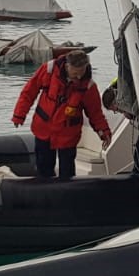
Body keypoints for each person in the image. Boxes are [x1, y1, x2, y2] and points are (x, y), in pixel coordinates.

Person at [11, 49, 112, 179]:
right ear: (67, 66)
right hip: (43, 130)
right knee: (43, 169)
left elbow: (95, 113)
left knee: (67, 172)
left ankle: (67, 196)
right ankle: (44, 194)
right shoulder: (48, 70)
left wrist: (103, 132)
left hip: (68, 135)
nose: (79, 77)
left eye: (82, 73)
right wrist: (19, 115)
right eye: (75, 74)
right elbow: (29, 92)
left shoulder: (89, 87)